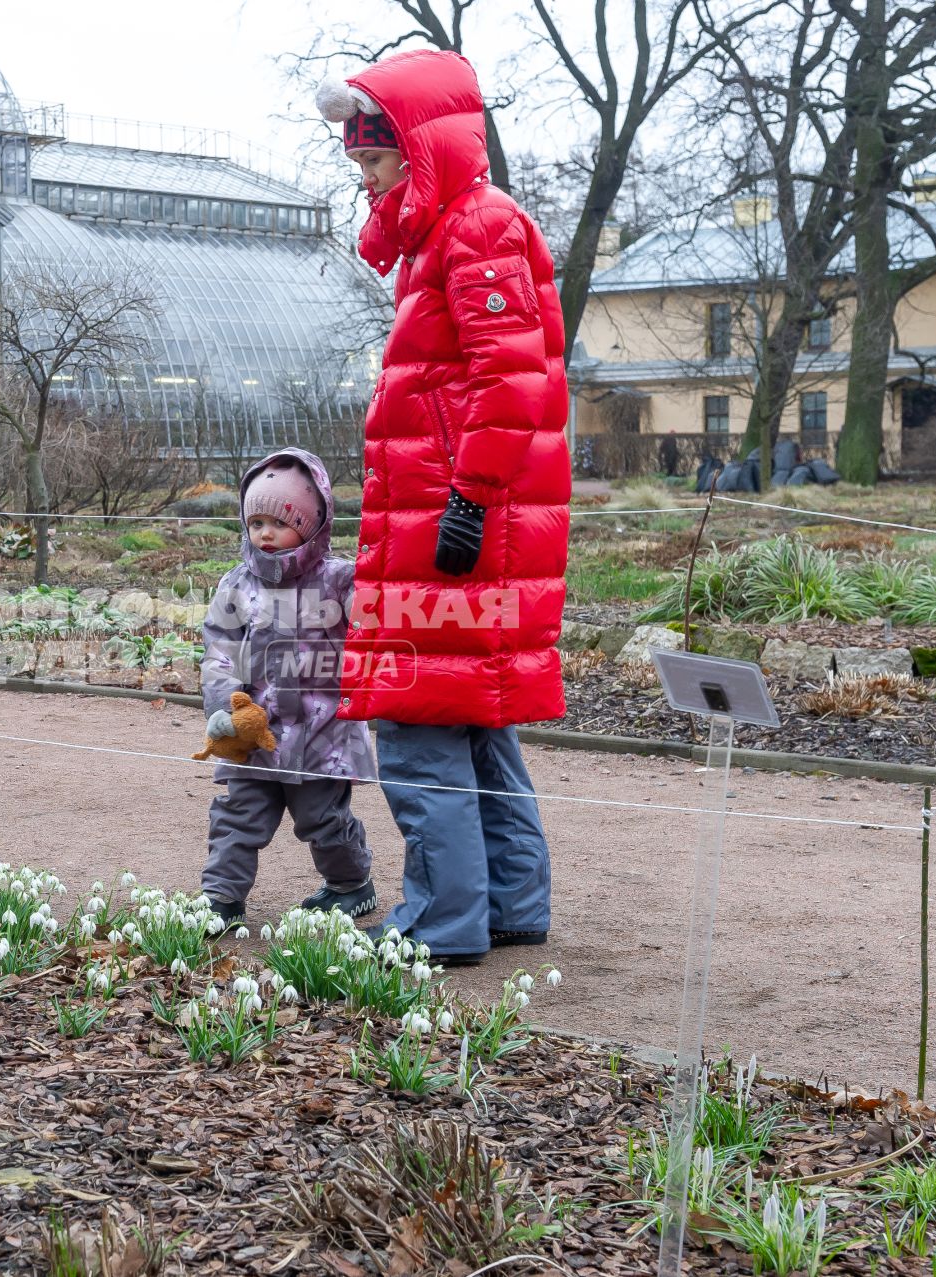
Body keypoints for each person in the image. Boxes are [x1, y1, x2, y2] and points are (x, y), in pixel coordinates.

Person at [316, 50, 570, 964]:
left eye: (376, 162)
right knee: (472, 715)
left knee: (419, 717)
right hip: (458, 508)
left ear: (419, 149)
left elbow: (513, 375)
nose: (369, 180)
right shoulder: (462, 230)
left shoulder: (476, 228)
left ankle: (441, 919)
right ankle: (509, 903)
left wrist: (468, 496)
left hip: (454, 514)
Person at [198, 448, 378, 930]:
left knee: (323, 821)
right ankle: (221, 899)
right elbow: (219, 651)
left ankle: (350, 884)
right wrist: (225, 708)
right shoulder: (237, 584)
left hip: (322, 735)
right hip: (251, 732)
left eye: (279, 521)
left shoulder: (338, 581)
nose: (265, 533)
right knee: (236, 816)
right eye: (255, 522)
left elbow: (370, 621)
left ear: (312, 522)